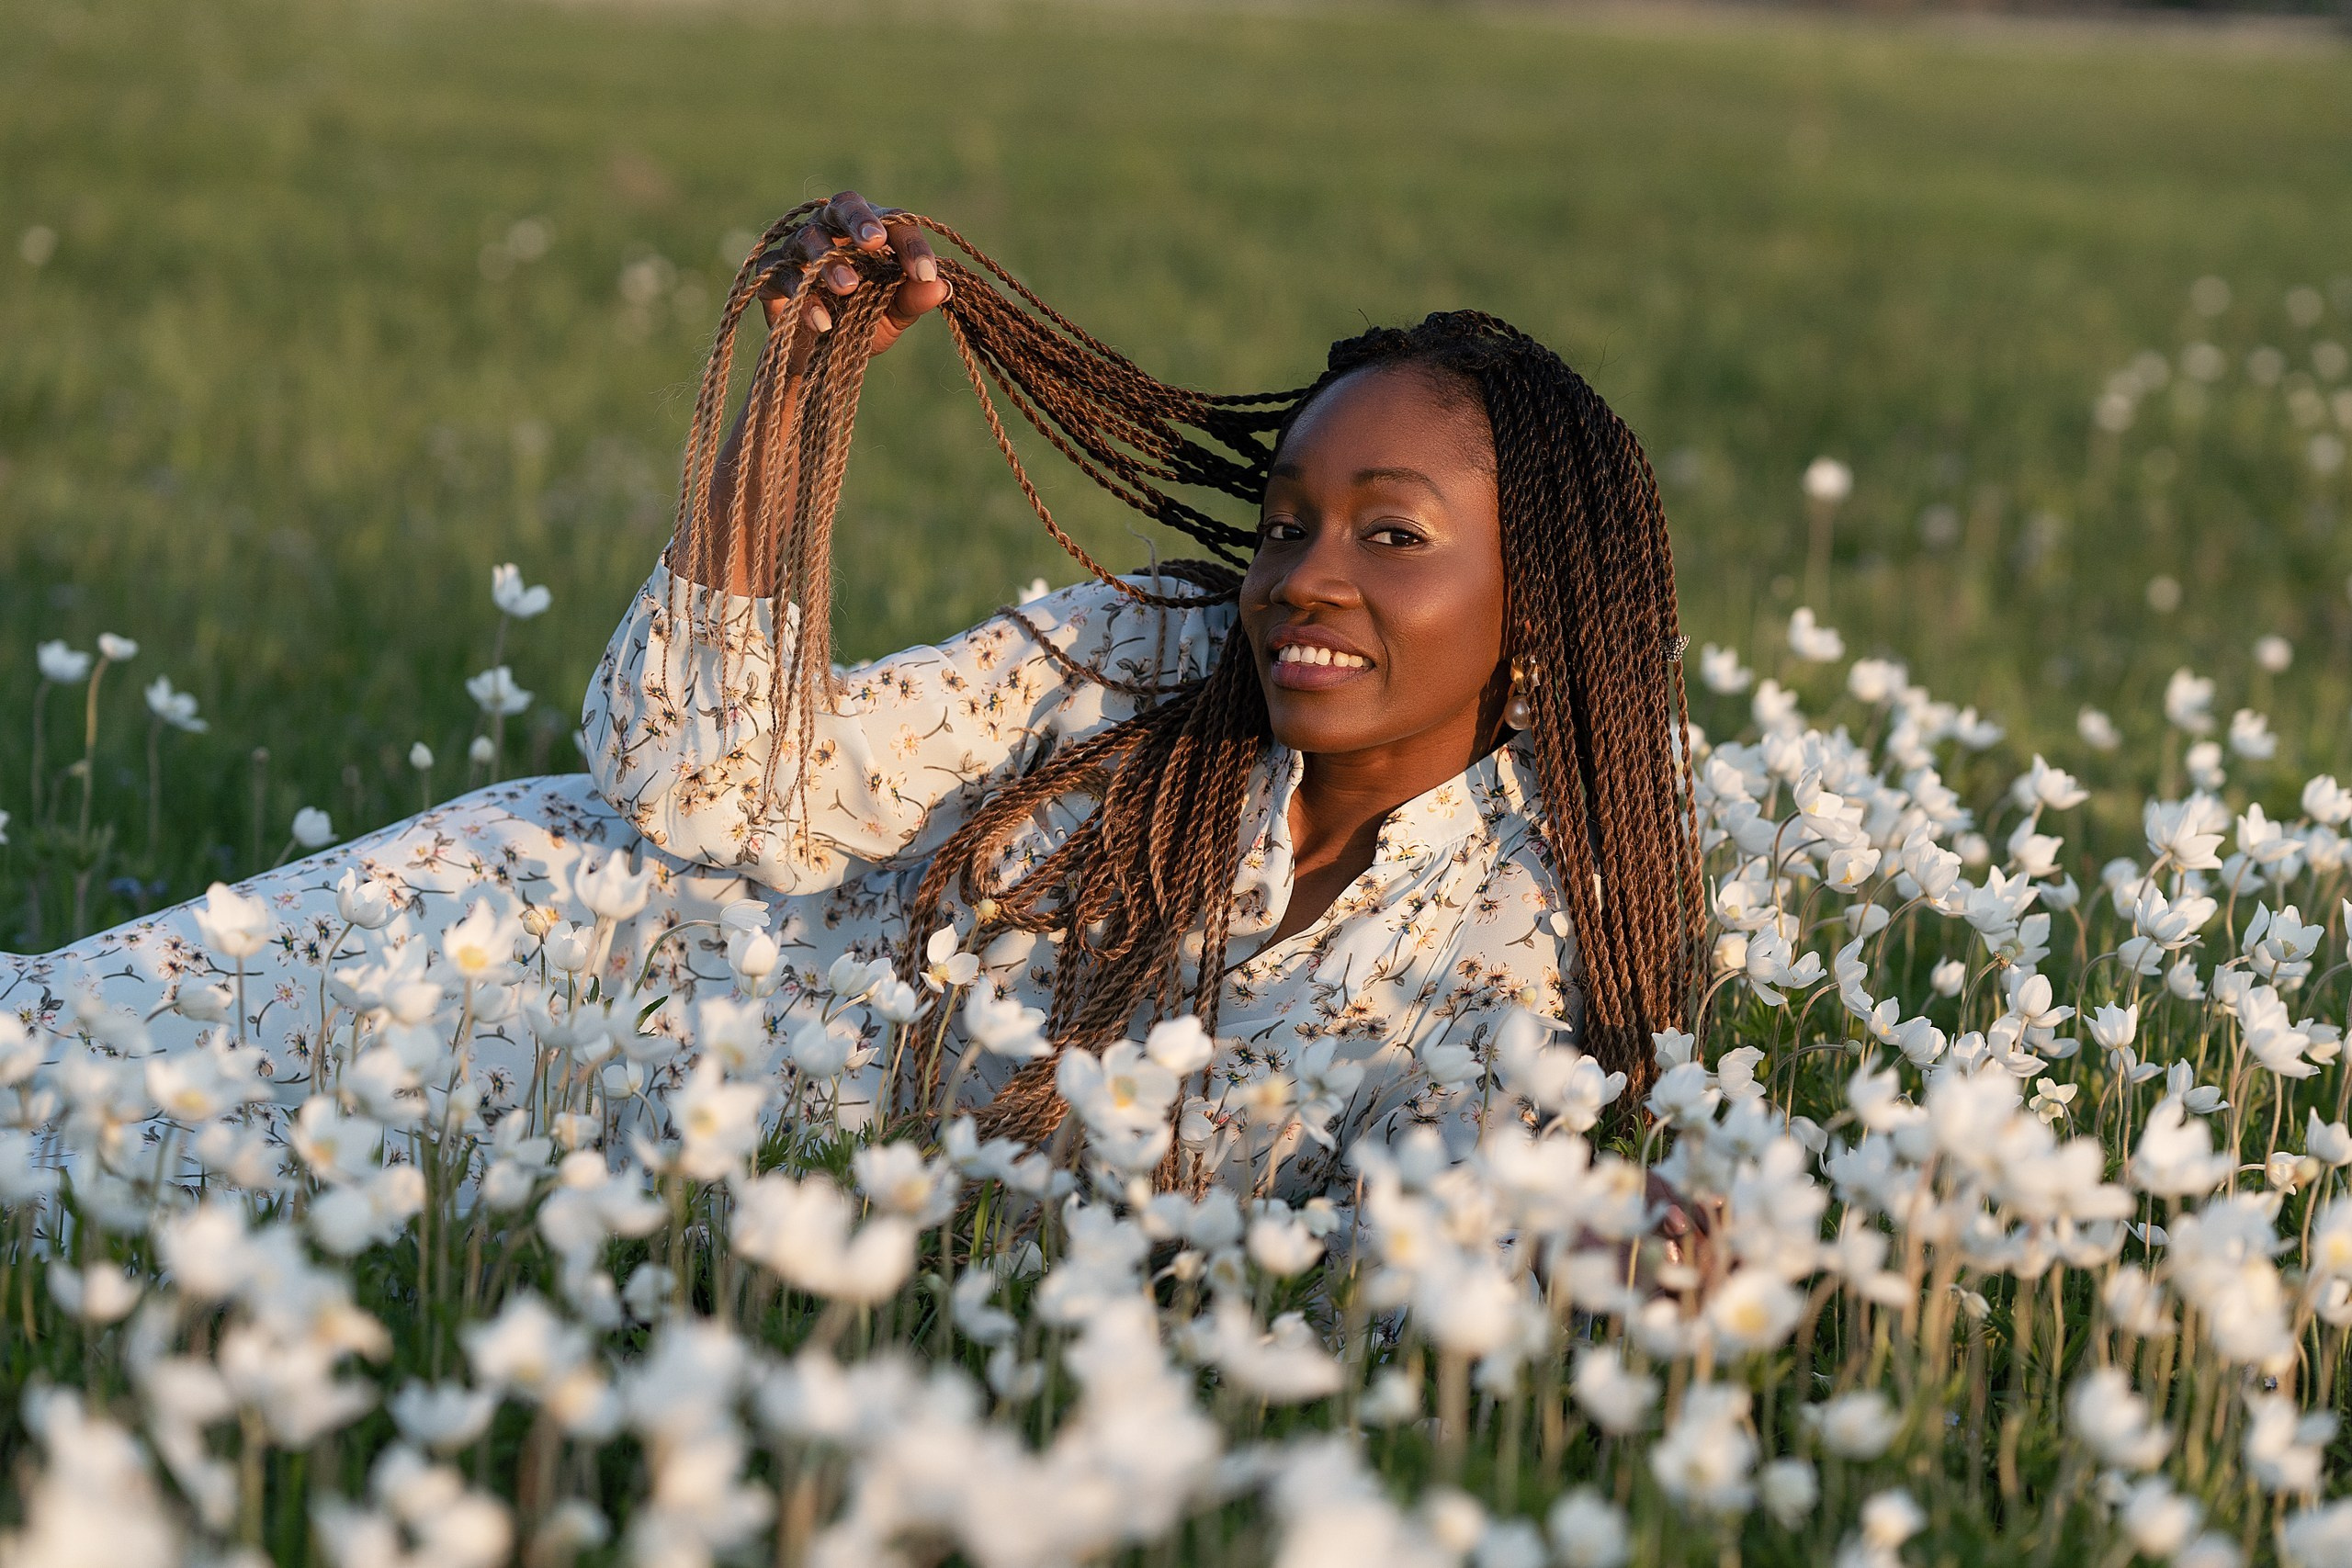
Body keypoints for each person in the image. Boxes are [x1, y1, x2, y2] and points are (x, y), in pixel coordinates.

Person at [0, 192, 1702, 1194]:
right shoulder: (1154, 662)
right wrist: (806, 387)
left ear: (1537, 602)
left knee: (122, 1186)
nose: (1303, 578)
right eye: (1285, 524)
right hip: (574, 941)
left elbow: (1422, 1262)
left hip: (698, 1160)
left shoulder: (1532, 921)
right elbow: (712, 781)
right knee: (46, 1082)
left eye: (1388, 535)